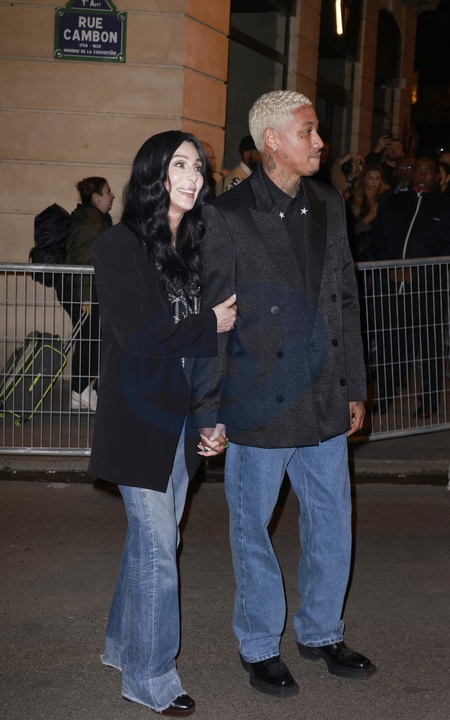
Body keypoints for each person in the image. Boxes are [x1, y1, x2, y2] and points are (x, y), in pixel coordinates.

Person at [191, 90, 376, 699]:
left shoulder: (328, 202)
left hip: (324, 395)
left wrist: (354, 386)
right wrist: (209, 409)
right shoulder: (226, 214)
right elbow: (216, 319)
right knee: (253, 529)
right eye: (308, 131)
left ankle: (321, 632)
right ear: (272, 140)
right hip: (258, 400)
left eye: (316, 130)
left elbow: (345, 299)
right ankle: (259, 645)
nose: (320, 142)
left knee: (333, 522)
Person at [89, 131, 237, 716]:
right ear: (153, 172)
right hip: (136, 418)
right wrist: (207, 323)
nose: (193, 176)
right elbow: (138, 336)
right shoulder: (117, 246)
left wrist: (209, 417)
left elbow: (203, 356)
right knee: (157, 548)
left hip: (180, 417)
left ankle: (120, 644)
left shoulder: (193, 247)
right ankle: (150, 676)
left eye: (198, 167)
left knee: (154, 540)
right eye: (180, 164)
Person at [372, 156, 450, 417]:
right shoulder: (395, 202)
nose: (423, 175)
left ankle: (429, 401)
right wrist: (388, 265)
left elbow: (445, 246)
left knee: (429, 346)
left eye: (429, 171)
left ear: (437, 175)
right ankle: (384, 396)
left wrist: (417, 271)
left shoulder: (444, 205)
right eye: (419, 170)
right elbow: (379, 237)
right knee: (388, 343)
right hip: (392, 283)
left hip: (427, 286)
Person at [57, 176, 114, 411]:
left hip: (83, 290)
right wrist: (85, 298)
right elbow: (83, 260)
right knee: (91, 339)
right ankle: (80, 391)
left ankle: (80, 392)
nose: (112, 196)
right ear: (97, 197)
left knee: (91, 338)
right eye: (108, 192)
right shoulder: (93, 221)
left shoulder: (95, 218)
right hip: (82, 291)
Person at [346, 162, 389, 261]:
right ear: (364, 179)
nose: (374, 182)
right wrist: (369, 217)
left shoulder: (385, 199)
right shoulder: (353, 202)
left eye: (377, 178)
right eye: (370, 178)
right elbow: (349, 230)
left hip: (381, 250)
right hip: (361, 251)